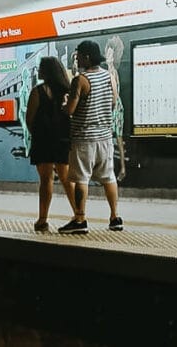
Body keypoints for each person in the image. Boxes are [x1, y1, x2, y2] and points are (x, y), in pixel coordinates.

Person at [59, 40, 123, 234]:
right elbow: (113, 104)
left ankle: (80, 219)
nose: (76, 60)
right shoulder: (109, 77)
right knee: (108, 177)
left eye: (78, 56)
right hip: (105, 137)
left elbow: (70, 110)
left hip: (84, 138)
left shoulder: (80, 80)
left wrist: (62, 105)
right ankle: (115, 218)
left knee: (81, 179)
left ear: (87, 57)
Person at [24, 56, 75, 233]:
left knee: (46, 180)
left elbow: (29, 118)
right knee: (67, 179)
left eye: (41, 68)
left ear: (46, 71)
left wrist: (36, 135)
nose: (38, 70)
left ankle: (42, 220)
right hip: (63, 140)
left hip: (43, 141)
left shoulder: (38, 91)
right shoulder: (68, 90)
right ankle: (79, 215)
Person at [104, 34, 127, 182]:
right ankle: (121, 169)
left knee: (112, 140)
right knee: (117, 139)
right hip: (116, 107)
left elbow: (114, 93)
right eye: (107, 54)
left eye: (110, 55)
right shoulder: (112, 71)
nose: (108, 57)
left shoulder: (111, 72)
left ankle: (114, 170)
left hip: (114, 108)